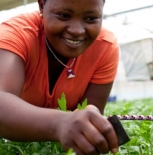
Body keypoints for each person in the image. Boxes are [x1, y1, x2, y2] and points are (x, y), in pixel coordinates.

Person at [0, 0, 119, 154]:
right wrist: (60, 123)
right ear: (42, 6)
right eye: (64, 15)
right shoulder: (16, 34)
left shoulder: (104, 47)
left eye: (91, 18)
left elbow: (88, 116)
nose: (77, 30)